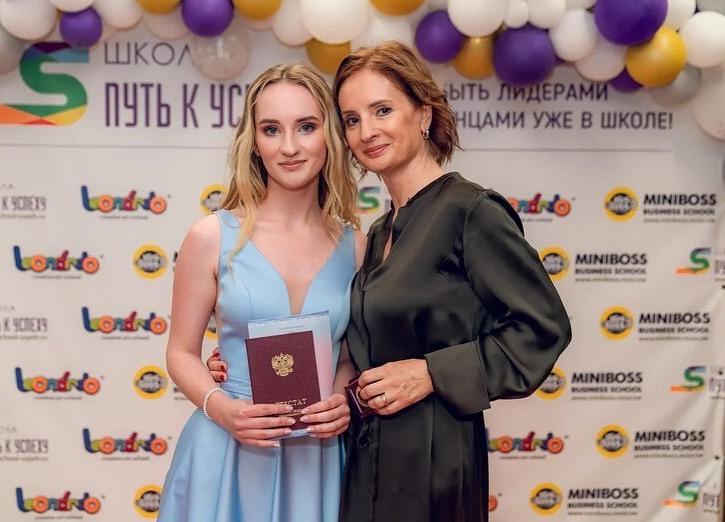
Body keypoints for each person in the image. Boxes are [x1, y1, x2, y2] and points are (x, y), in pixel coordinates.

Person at [209, 41, 572, 522]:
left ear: (424, 114)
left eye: (382, 110)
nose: (367, 132)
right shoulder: (379, 232)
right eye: (352, 119)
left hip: (435, 460)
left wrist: (431, 373)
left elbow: (543, 328)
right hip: (364, 458)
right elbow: (356, 345)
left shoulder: (470, 211)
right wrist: (237, 361)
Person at [158, 63, 365, 522]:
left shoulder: (357, 247)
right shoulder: (211, 236)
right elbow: (181, 353)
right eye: (272, 129)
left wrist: (340, 399)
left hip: (317, 457)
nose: (289, 147)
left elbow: (348, 355)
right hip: (226, 451)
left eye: (306, 126)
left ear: (329, 135)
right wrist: (223, 410)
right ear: (254, 142)